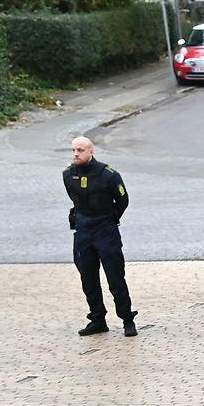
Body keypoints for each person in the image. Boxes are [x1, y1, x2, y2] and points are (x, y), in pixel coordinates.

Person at [64, 136, 137, 337]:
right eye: (73, 150)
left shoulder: (108, 175)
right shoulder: (68, 175)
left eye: (80, 150)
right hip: (83, 233)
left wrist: (110, 219)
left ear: (91, 152)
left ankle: (127, 319)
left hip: (105, 230)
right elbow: (74, 199)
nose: (76, 154)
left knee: (115, 277)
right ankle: (97, 319)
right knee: (88, 278)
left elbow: (123, 200)